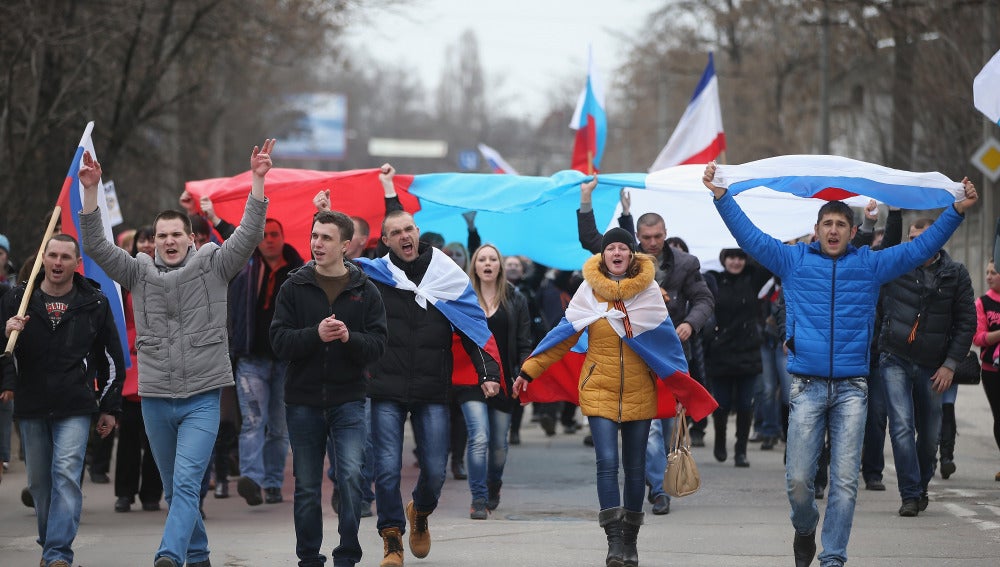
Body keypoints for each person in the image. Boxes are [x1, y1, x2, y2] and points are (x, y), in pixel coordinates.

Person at [703, 161, 978, 567]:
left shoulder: (870, 265)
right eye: (827, 223)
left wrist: (955, 211)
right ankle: (804, 528)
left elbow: (919, 248)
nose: (833, 230)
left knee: (845, 483)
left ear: (852, 232)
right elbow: (750, 237)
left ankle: (833, 557)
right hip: (806, 387)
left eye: (840, 224)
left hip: (852, 388)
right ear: (817, 230)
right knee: (799, 482)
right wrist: (722, 197)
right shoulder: (792, 261)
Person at [78, 140, 274, 567]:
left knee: (186, 484)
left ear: (190, 237)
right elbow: (95, 246)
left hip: (203, 397)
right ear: (153, 242)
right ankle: (199, 556)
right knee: (174, 489)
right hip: (155, 399)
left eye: (176, 235)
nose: (168, 241)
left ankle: (169, 555)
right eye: (161, 236)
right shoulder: (137, 270)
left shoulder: (215, 265)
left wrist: (258, 180)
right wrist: (90, 193)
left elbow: (250, 235)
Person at [513, 226, 715, 567]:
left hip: (640, 392)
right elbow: (562, 336)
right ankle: (613, 542)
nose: (617, 253)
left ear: (631, 255)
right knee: (607, 464)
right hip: (599, 390)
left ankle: (631, 541)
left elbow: (668, 346)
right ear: (603, 256)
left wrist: (682, 389)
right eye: (611, 249)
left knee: (635, 469)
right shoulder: (587, 293)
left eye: (623, 248)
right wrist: (528, 370)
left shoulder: (649, 293)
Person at [356, 209, 501, 567]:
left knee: (435, 469)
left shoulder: (444, 275)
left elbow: (471, 325)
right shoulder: (375, 276)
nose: (405, 236)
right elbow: (328, 266)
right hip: (385, 386)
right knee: (387, 468)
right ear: (385, 241)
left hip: (433, 388)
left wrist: (488, 372)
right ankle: (392, 538)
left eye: (409, 229)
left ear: (417, 232)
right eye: (396, 232)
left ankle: (419, 511)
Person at [577, 180, 715, 515]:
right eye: (646, 238)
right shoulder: (627, 259)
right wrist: (586, 200)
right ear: (638, 237)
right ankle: (658, 491)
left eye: (657, 237)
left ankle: (660, 480)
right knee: (650, 430)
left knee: (667, 426)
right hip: (633, 358)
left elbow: (704, 299)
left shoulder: (685, 264)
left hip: (670, 356)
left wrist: (688, 323)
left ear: (665, 233)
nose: (652, 243)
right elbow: (592, 241)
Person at [270, 209, 388, 567]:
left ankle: (347, 554)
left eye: (326, 238)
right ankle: (308, 557)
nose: (317, 244)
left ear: (346, 246)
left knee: (351, 478)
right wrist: (314, 335)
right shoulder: (294, 285)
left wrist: (350, 338)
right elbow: (278, 341)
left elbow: (379, 346)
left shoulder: (364, 290)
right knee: (306, 486)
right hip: (303, 401)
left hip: (349, 399)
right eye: (314, 236)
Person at [1, 234, 125, 567]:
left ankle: (58, 554)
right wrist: (6, 331)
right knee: (40, 484)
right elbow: (3, 353)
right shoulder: (18, 299)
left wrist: (110, 406)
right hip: (32, 404)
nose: (57, 263)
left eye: (65, 257)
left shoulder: (94, 302)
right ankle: (50, 547)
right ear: (43, 259)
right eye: (52, 256)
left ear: (76, 263)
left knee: (67, 474)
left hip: (75, 403)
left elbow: (112, 356)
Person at [877, 216, 975, 516]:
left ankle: (921, 484)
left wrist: (950, 364)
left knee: (929, 433)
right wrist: (893, 210)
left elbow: (966, 323)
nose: (916, 243)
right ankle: (910, 493)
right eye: (912, 238)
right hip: (894, 356)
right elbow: (886, 247)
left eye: (923, 237)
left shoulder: (956, 274)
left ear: (938, 238)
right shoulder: (897, 265)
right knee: (902, 425)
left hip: (934, 365)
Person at [230, 217, 304, 506]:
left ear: (284, 236)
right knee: (252, 421)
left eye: (275, 234)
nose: (270, 239)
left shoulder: (299, 271)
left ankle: (273, 482)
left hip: (287, 362)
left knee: (279, 427)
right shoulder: (244, 268)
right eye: (265, 235)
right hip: (251, 358)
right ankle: (251, 479)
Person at [458, 244, 531, 519]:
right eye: (481, 259)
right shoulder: (462, 297)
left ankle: (493, 485)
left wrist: (523, 371)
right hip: (470, 379)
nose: (487, 263)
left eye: (492, 259)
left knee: (498, 445)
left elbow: (525, 342)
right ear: (474, 266)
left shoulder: (516, 298)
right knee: (478, 437)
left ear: (499, 265)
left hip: (504, 379)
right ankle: (478, 498)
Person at [703, 248, 772, 468]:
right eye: (731, 257)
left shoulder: (753, 279)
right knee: (721, 403)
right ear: (724, 259)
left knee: (745, 404)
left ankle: (740, 450)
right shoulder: (714, 280)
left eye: (740, 257)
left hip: (747, 351)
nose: (736, 262)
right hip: (721, 351)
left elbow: (767, 264)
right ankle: (721, 441)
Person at [114, 225, 164, 513]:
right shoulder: (125, 277)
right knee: (130, 432)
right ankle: (124, 492)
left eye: (151, 239)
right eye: (143, 239)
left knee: (157, 437)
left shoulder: (170, 273)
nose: (146, 244)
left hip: (160, 362)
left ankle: (151, 494)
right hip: (131, 361)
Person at [973, 259, 1000, 483]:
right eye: (987, 272)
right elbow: (979, 337)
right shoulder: (982, 303)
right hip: (992, 370)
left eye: (994, 272)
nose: (989, 276)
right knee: (999, 417)